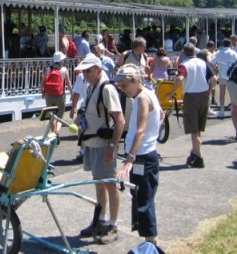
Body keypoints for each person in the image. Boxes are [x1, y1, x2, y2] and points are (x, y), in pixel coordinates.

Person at [76, 54, 125, 240]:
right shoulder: (91, 86)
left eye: (88, 71)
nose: (84, 74)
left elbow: (120, 120)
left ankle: (112, 225)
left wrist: (112, 146)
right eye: (83, 71)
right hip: (92, 143)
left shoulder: (106, 88)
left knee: (110, 184)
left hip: (103, 145)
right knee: (99, 182)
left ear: (98, 69)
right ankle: (100, 220)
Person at [115, 64, 164, 247]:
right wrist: (155, 131)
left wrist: (129, 159)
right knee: (141, 196)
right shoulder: (149, 93)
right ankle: (149, 241)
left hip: (143, 157)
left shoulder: (143, 97)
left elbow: (140, 130)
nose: (123, 90)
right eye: (120, 87)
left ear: (136, 80)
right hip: (145, 154)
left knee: (144, 200)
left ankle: (151, 244)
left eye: (125, 86)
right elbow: (161, 116)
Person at [172, 43, 216, 168]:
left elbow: (180, 78)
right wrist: (209, 90)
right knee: (199, 129)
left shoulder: (184, 65)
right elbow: (213, 79)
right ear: (195, 52)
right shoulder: (203, 63)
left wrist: (172, 92)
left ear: (184, 53)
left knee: (194, 129)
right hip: (204, 95)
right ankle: (194, 151)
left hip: (191, 96)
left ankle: (198, 155)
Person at [41, 52, 73, 137]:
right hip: (60, 95)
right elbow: (69, 83)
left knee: (51, 115)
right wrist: (72, 93)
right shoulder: (64, 70)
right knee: (60, 115)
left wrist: (42, 92)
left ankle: (53, 133)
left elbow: (43, 81)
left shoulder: (49, 69)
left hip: (48, 95)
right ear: (61, 60)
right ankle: (57, 131)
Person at [211, 39, 237, 119]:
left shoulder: (218, 52)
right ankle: (232, 110)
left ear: (223, 44)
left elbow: (212, 62)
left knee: (222, 94)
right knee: (232, 94)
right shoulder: (233, 52)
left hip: (222, 75)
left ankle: (222, 111)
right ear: (230, 44)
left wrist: (216, 69)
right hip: (231, 75)